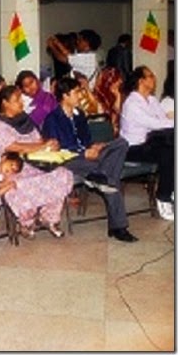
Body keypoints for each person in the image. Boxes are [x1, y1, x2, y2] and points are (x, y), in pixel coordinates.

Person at [43, 77, 138, 242]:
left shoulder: (80, 116)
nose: (80, 96)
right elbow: (56, 148)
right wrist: (82, 152)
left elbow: (87, 139)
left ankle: (100, 178)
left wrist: (95, 146)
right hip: (69, 159)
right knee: (111, 180)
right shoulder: (52, 118)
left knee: (121, 143)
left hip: (89, 156)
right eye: (76, 92)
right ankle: (118, 227)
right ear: (65, 96)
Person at [0, 86, 73, 238]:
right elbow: (13, 147)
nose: (21, 103)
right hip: (12, 167)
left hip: (34, 162)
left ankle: (49, 218)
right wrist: (42, 145)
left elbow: (39, 140)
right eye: (16, 100)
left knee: (62, 174)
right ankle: (26, 222)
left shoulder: (25, 120)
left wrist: (50, 144)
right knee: (21, 183)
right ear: (5, 103)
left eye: (21, 99)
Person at [120, 66, 175, 220]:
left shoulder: (151, 100)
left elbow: (163, 120)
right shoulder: (132, 103)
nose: (154, 78)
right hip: (132, 148)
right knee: (167, 153)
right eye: (150, 76)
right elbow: (154, 123)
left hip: (150, 143)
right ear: (141, 81)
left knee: (170, 147)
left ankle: (171, 190)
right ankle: (163, 197)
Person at [93, 66, 124, 137]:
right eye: (117, 79)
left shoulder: (119, 95)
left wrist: (118, 97)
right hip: (104, 135)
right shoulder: (97, 99)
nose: (120, 81)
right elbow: (110, 123)